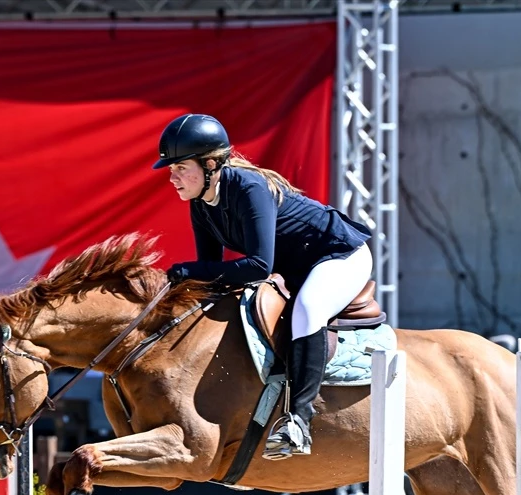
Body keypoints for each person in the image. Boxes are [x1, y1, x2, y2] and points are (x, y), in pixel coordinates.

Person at [153, 113, 374, 459]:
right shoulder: (201, 205)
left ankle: (298, 421)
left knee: (308, 310)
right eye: (170, 170)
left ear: (211, 165)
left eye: (181, 168)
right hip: (298, 267)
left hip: (339, 255)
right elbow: (213, 274)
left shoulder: (248, 189)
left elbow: (258, 266)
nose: (173, 178)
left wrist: (189, 270)